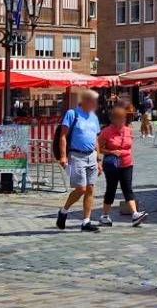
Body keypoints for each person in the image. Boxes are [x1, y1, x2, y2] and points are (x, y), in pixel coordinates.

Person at [55, 89, 103, 232]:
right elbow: (63, 136)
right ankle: (64, 211)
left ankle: (86, 221)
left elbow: (96, 139)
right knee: (81, 188)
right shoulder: (72, 114)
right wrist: (63, 156)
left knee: (90, 188)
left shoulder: (94, 117)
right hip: (77, 155)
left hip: (91, 156)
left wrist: (99, 160)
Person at [97, 106, 147, 228]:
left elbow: (129, 145)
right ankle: (105, 216)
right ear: (113, 119)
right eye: (121, 118)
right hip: (112, 164)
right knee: (111, 190)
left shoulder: (128, 130)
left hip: (127, 163)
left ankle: (135, 215)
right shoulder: (106, 131)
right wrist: (111, 152)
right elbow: (99, 148)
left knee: (127, 188)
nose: (123, 120)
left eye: (124, 117)